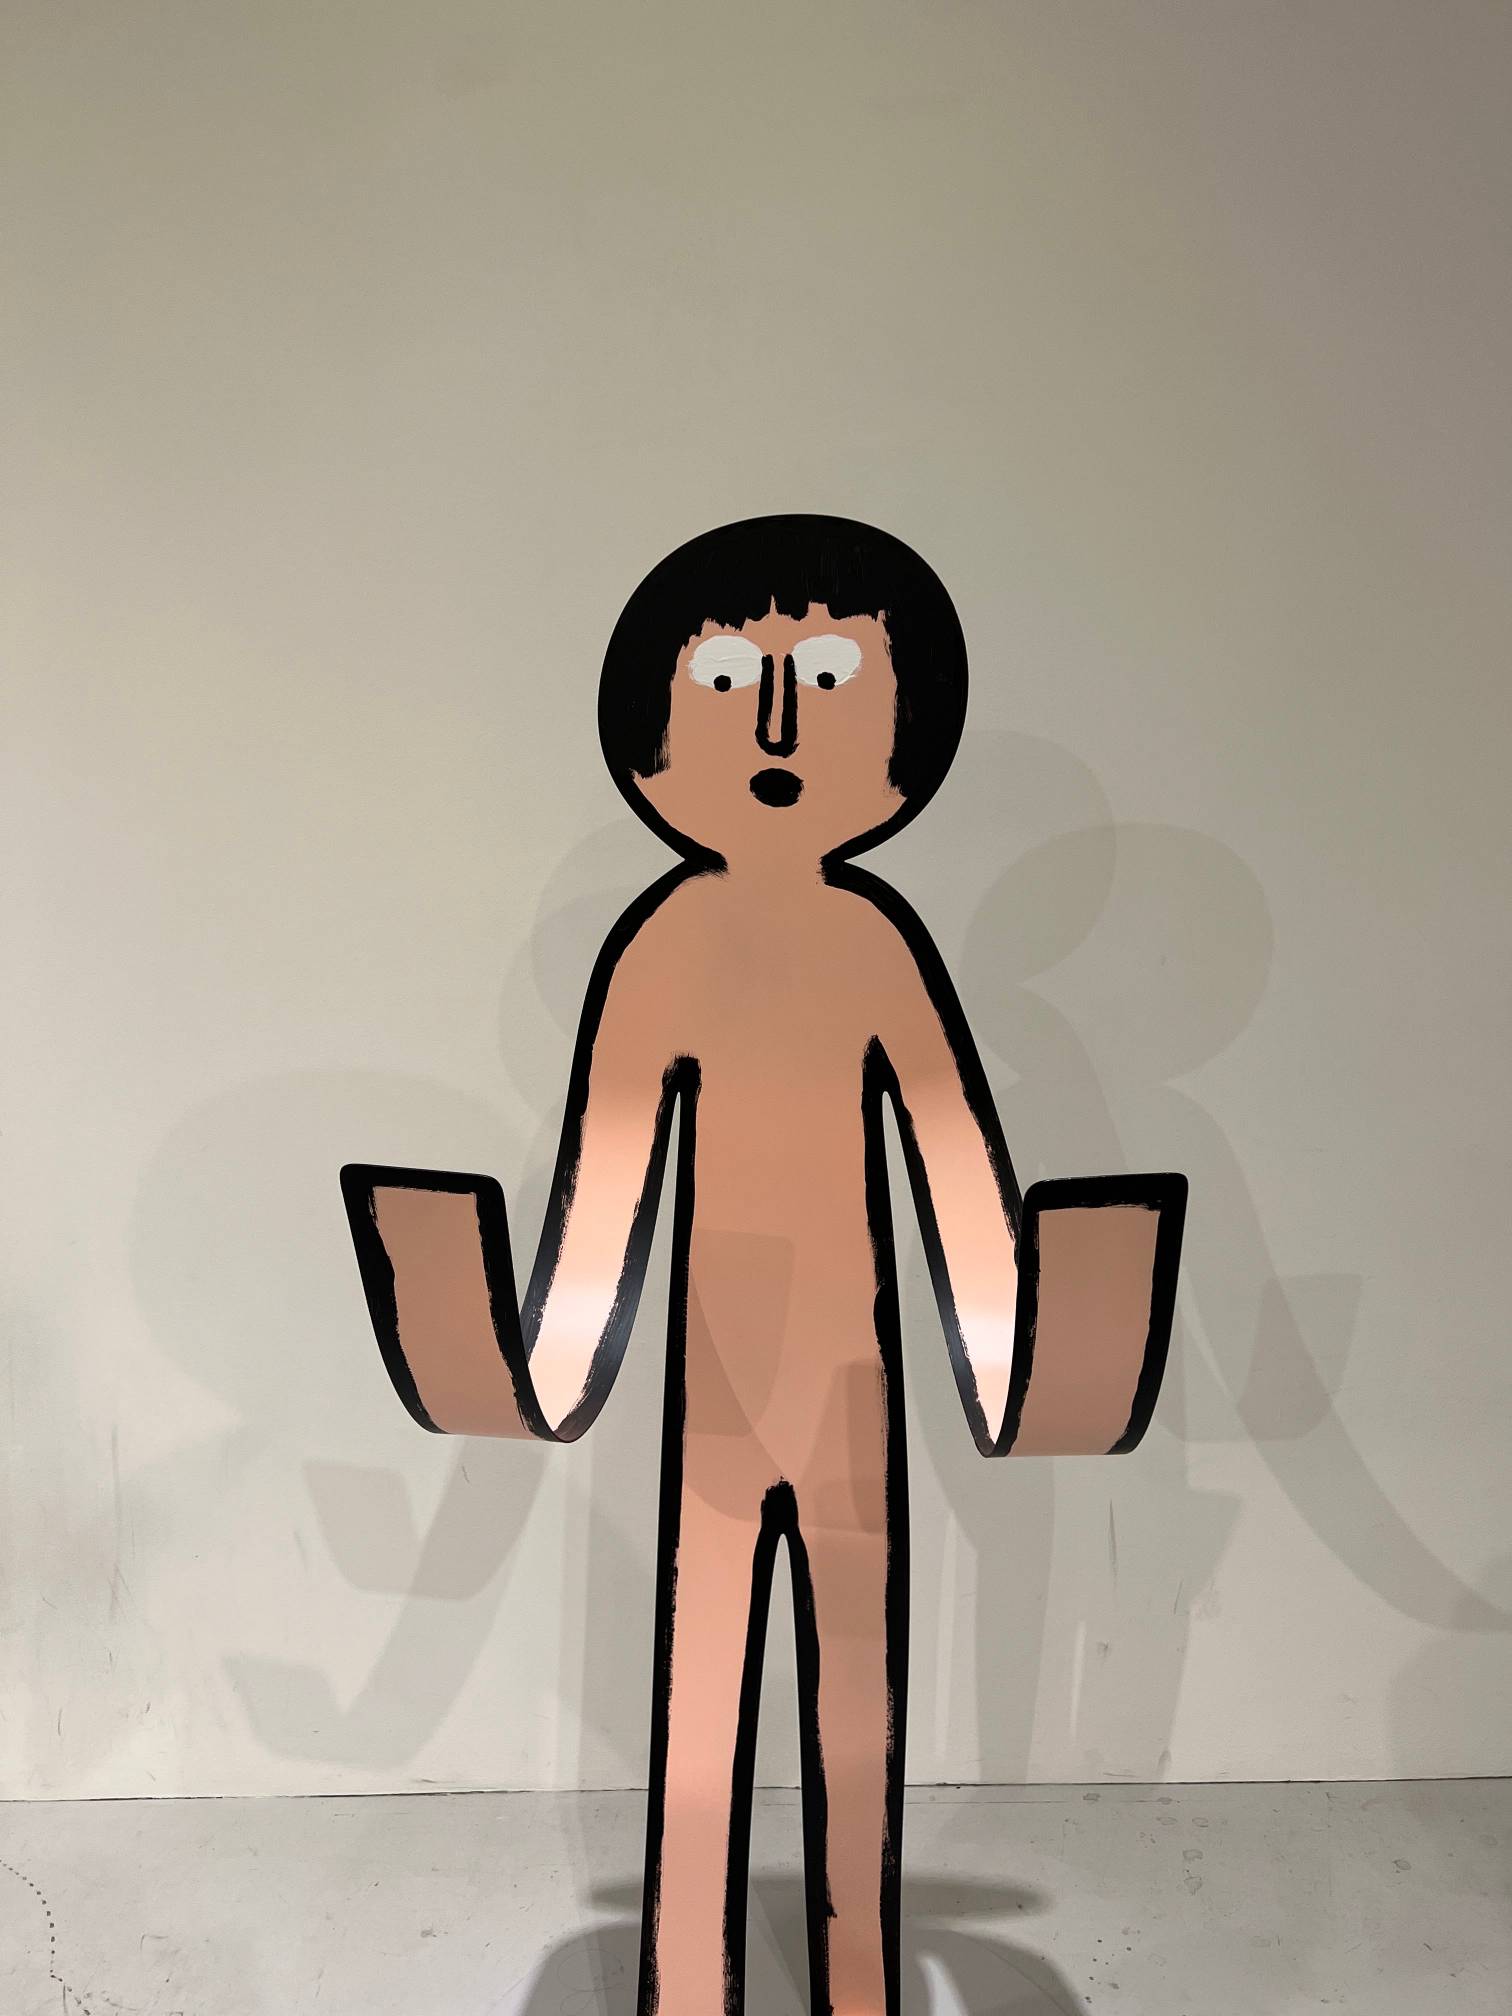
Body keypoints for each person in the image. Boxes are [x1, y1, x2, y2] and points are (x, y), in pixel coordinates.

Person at [341, 513, 1186, 2016]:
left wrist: (1022, 1363)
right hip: (719, 1412)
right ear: (653, 738)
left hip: (851, 1403)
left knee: (856, 1708)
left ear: (907, 737)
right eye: (732, 682)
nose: (782, 729)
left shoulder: (877, 947)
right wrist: (525, 1368)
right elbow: (605, 1201)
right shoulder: (660, 951)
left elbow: (956, 1179)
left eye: (834, 680)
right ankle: (687, 1982)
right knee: (703, 1704)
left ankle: (857, 1982)